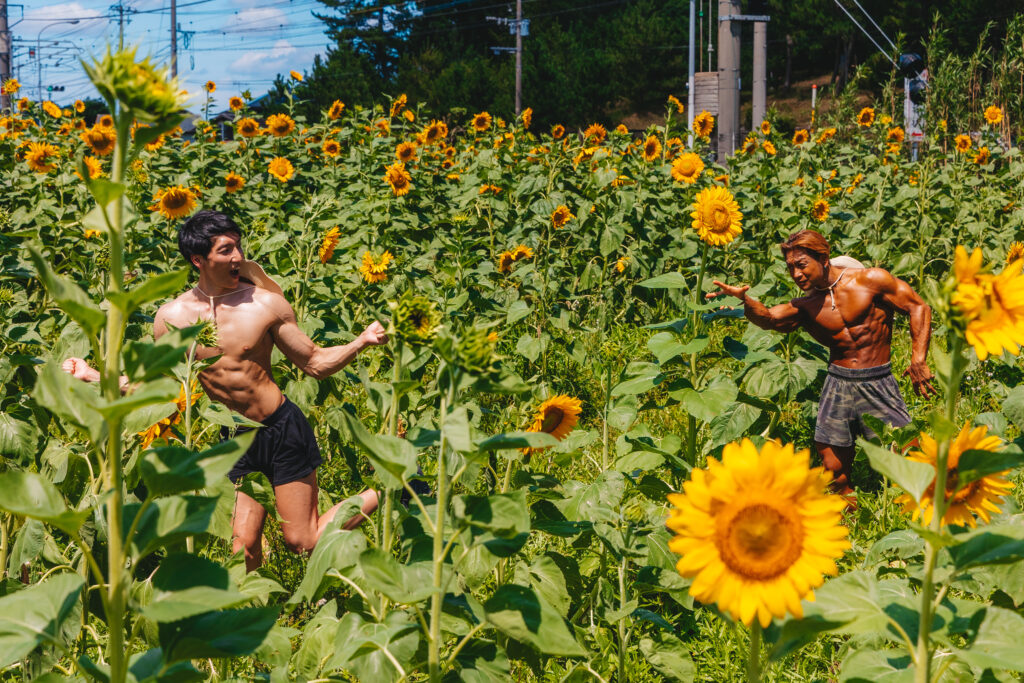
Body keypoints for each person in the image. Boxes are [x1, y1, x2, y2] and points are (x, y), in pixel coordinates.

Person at [63, 210, 386, 571]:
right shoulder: (172, 318)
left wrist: (362, 341)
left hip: (281, 430)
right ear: (198, 259)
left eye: (238, 247)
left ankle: (388, 493)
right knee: (243, 550)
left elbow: (313, 362)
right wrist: (94, 376)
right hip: (233, 437)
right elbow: (157, 387)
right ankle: (251, 622)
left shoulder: (264, 304)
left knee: (303, 541)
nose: (238, 258)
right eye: (226, 250)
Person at [707, 229, 936, 500]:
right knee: (833, 469)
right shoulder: (806, 306)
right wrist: (744, 301)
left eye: (801, 265)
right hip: (838, 383)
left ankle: (920, 513)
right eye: (790, 267)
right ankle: (850, 522)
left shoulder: (871, 280)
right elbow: (769, 317)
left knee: (906, 458)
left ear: (823, 258)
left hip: (877, 380)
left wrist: (918, 358)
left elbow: (918, 307)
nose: (796, 274)